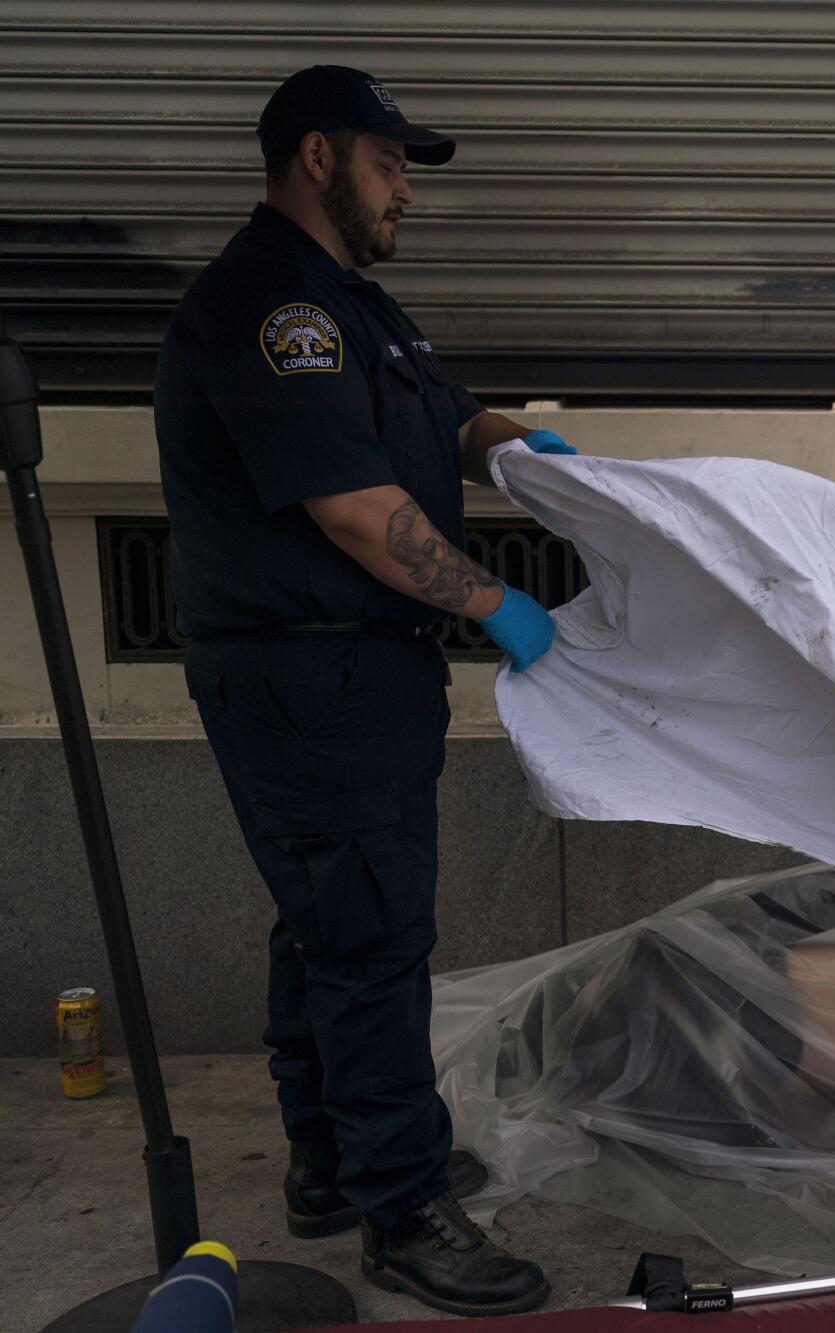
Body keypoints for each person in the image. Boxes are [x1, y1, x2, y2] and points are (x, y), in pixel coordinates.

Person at [153, 66, 577, 1316]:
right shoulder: (268, 309)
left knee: (326, 918)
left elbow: (434, 418)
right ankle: (402, 1210)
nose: (407, 193)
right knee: (371, 934)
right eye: (392, 166)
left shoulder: (351, 308)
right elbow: (349, 506)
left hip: (349, 672)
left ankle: (330, 1155)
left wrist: (512, 441)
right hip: (309, 670)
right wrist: (492, 601)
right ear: (319, 157)